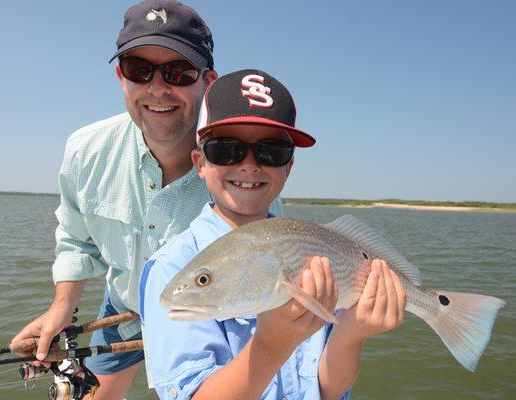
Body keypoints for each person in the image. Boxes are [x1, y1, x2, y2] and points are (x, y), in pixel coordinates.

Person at [11, 1, 281, 399]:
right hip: (122, 305)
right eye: (140, 70)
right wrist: (62, 308)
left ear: (209, 81)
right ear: (122, 77)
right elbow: (75, 236)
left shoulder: (240, 172)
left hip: (208, 319)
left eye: (179, 72)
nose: (158, 87)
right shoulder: (85, 151)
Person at [141, 69, 407, 400]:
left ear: (289, 167)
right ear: (200, 163)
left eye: (271, 151)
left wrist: (352, 333)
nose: (249, 165)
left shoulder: (312, 253)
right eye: (226, 149)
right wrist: (271, 344)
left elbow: (325, 389)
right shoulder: (172, 267)